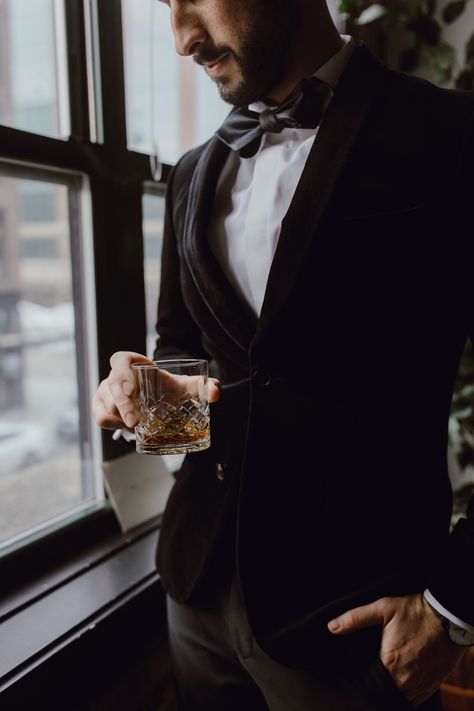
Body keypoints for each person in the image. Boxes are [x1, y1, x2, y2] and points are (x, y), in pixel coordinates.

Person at [93, 0, 474, 708]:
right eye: (164, 7)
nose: (182, 38)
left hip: (356, 622)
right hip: (195, 587)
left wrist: (454, 610)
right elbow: (184, 356)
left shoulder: (453, 138)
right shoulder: (190, 173)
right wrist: (141, 395)